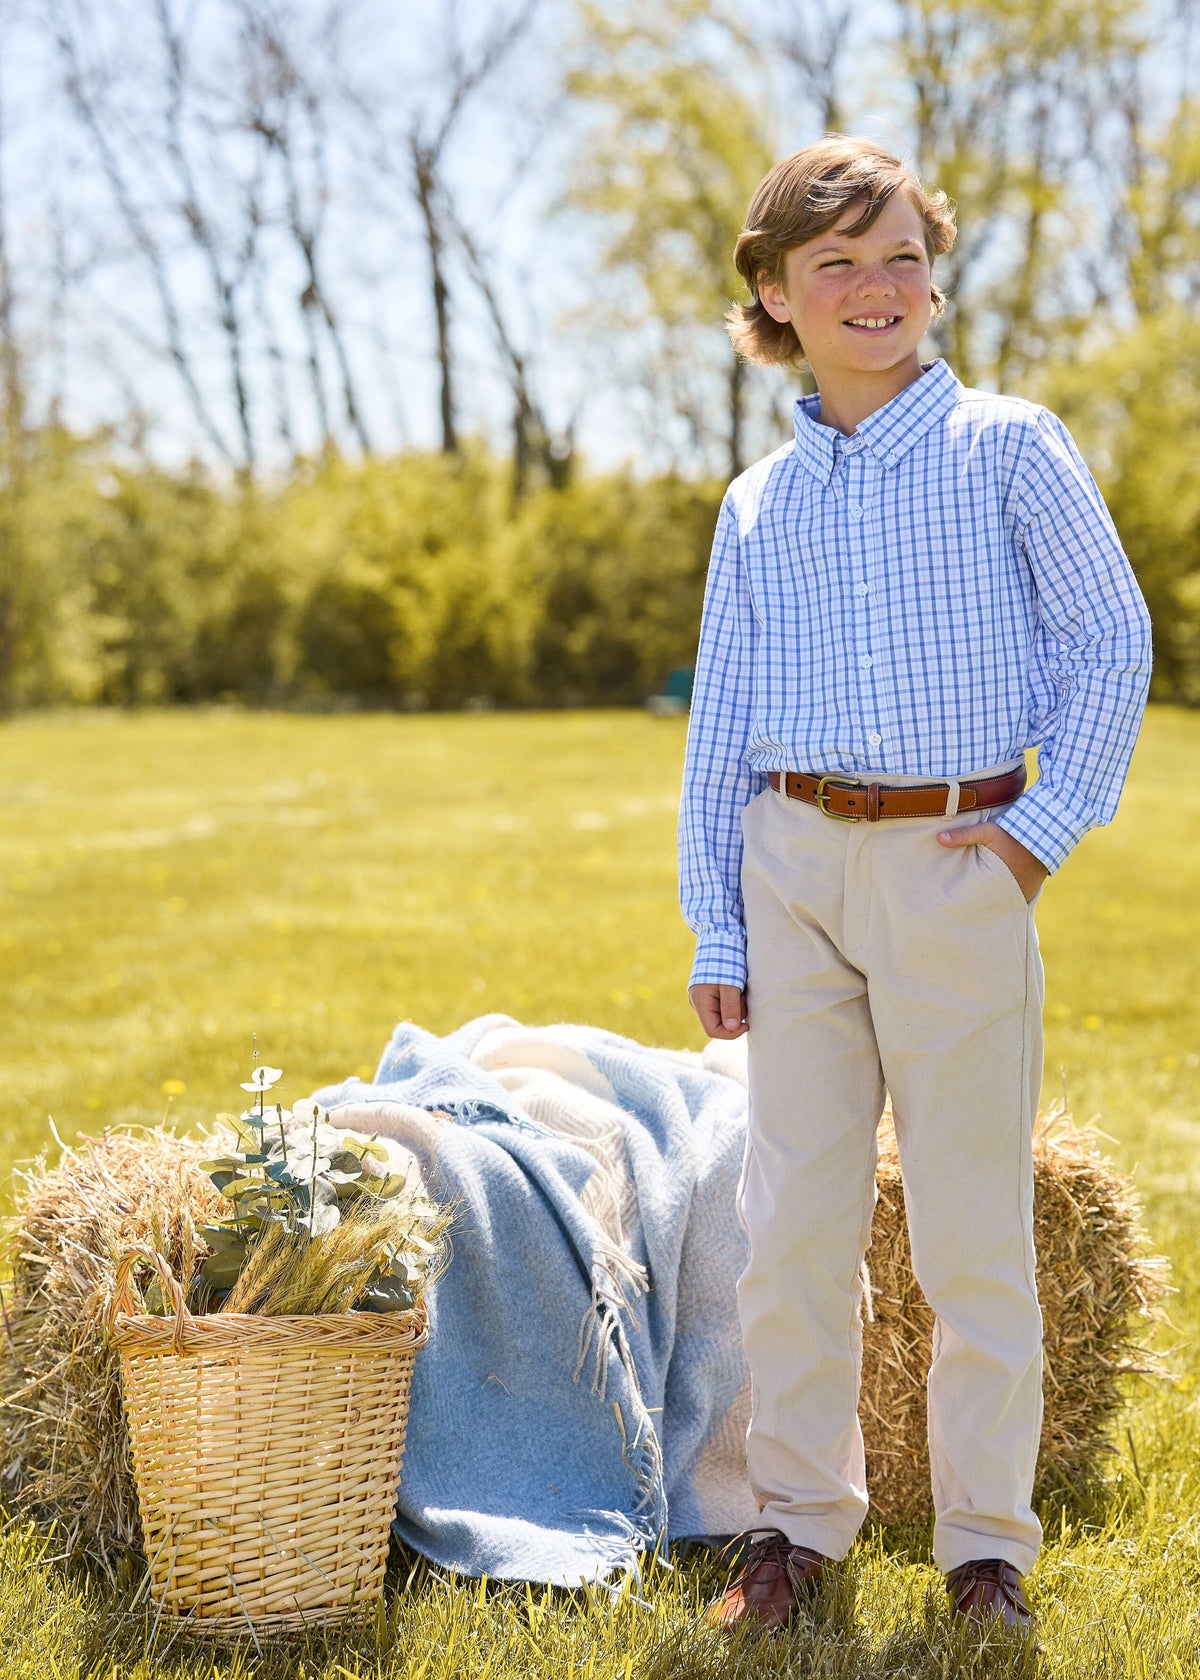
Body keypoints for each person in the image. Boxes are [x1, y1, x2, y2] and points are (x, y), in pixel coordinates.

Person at [678, 135, 1152, 1640]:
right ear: (776, 292)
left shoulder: (1010, 445)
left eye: (901, 257)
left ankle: (983, 1551)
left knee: (970, 1234)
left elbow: (1111, 641)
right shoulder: (756, 502)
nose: (878, 288)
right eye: (839, 264)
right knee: (795, 1226)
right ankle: (797, 1529)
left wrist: (1034, 838)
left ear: (934, 274)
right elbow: (720, 729)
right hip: (794, 862)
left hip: (960, 862)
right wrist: (719, 915)